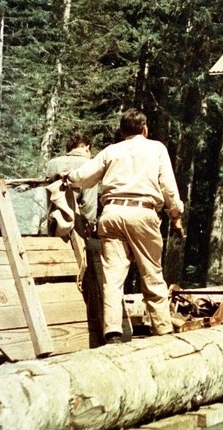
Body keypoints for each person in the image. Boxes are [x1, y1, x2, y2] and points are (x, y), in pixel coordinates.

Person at [61, 108, 185, 344]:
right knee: (152, 273)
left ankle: (113, 332)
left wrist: (68, 176)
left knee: (113, 276)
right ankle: (162, 329)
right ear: (145, 129)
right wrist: (176, 215)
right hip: (143, 213)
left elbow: (84, 177)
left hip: (112, 214)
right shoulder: (157, 149)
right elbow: (168, 188)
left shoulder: (111, 151)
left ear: (121, 131)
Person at [45, 132, 98, 231]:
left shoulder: (52, 164)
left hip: (54, 222)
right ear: (87, 148)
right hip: (77, 224)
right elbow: (89, 202)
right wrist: (90, 223)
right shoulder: (89, 165)